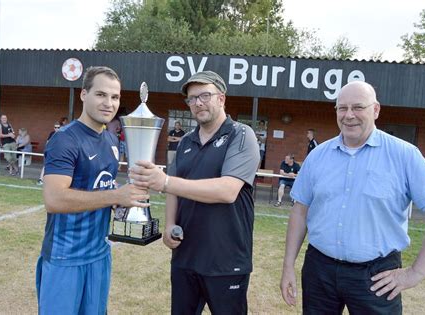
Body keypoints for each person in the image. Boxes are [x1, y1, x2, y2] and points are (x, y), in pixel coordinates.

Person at [280, 81, 425, 314]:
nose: (349, 115)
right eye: (342, 108)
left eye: (358, 107)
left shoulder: (404, 155)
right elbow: (300, 211)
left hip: (377, 276)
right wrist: (288, 266)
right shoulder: (318, 156)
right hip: (319, 270)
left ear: (376, 109)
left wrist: (415, 273)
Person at [129, 71, 260, 314]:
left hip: (226, 260)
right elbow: (174, 190)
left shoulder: (242, 135)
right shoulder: (185, 142)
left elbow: (227, 190)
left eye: (205, 95)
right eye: (191, 99)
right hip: (185, 256)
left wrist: (166, 182)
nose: (198, 103)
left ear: (221, 98)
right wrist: (169, 225)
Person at [36, 66, 149, 314]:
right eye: (101, 95)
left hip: (99, 254)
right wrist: (115, 196)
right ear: (84, 94)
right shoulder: (64, 139)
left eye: (115, 97)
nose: (109, 103)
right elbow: (54, 199)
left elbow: (100, 185)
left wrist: (121, 199)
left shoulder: (111, 141)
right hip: (66, 257)